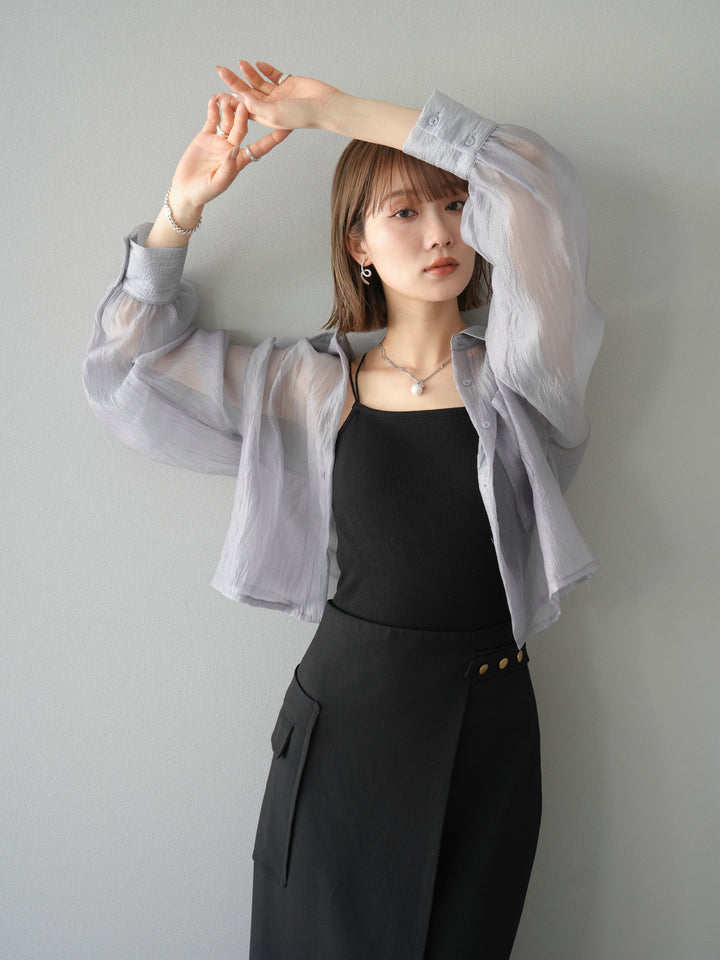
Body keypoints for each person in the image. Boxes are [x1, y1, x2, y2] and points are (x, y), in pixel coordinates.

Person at [83, 60, 603, 960]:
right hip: (344, 722)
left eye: (455, 206)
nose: (439, 232)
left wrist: (336, 112)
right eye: (404, 212)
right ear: (358, 242)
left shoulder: (523, 380)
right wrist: (182, 210)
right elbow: (127, 371)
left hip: (488, 725)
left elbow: (536, 189)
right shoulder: (306, 386)